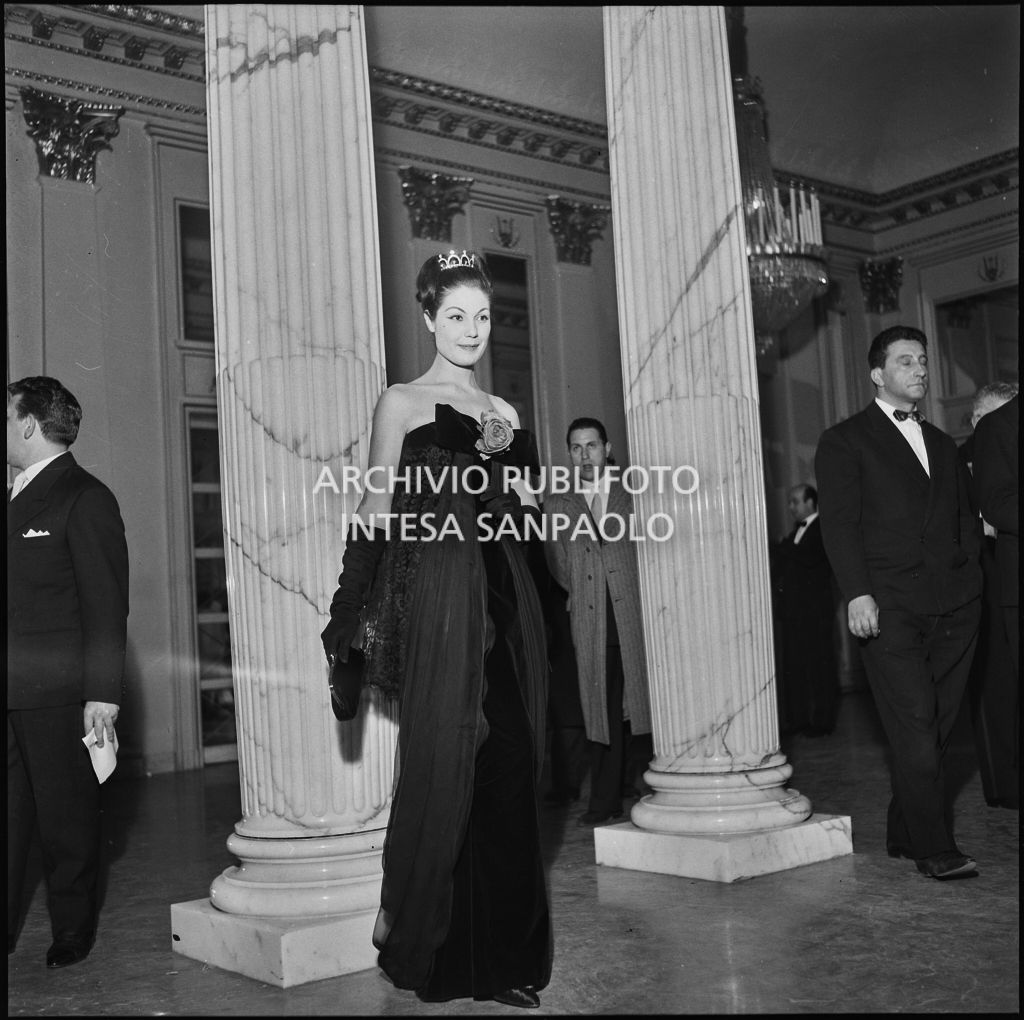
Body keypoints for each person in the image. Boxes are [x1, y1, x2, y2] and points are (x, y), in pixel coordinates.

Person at [320, 250, 552, 1009]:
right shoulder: (401, 401)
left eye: (482, 316)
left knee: (511, 774)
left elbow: (522, 515)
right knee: (444, 775)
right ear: (428, 318)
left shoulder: (508, 414)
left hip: (507, 601)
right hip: (443, 607)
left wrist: (519, 493)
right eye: (456, 315)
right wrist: (346, 614)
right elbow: (376, 510)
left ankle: (504, 958)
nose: (471, 330)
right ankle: (442, 955)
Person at [815, 325, 982, 881]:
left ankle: (904, 828)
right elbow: (839, 526)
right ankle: (935, 848)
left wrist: (970, 578)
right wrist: (858, 593)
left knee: (937, 726)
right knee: (913, 723)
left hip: (955, 606)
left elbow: (961, 518)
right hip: (888, 607)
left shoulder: (941, 442)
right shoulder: (845, 440)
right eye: (906, 361)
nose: (920, 370)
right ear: (876, 374)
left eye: (924, 361)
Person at [7, 377, 129, 967]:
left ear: (28, 424)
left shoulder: (85, 497)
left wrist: (102, 696)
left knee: (66, 824)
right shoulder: (11, 497)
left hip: (58, 698)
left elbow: (107, 606)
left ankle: (72, 932)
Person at [543, 417, 652, 828]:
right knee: (601, 710)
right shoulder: (557, 503)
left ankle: (641, 784)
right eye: (576, 447)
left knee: (638, 706)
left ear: (607, 449)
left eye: (592, 445)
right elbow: (556, 563)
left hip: (633, 617)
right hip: (591, 619)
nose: (585, 454)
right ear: (569, 453)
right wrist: (587, 587)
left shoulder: (636, 492)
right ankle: (604, 800)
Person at [958, 383, 1018, 810]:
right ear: (978, 421)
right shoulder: (954, 461)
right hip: (977, 577)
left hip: (1009, 568)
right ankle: (1002, 785)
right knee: (992, 684)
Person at [771, 483, 840, 737]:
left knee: (819, 667)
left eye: (795, 501)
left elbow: (809, 557)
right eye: (790, 502)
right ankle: (797, 720)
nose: (790, 507)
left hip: (815, 614)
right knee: (795, 667)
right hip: (793, 614)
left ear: (810, 503)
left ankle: (822, 722)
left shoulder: (823, 528)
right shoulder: (793, 536)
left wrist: (780, 545)